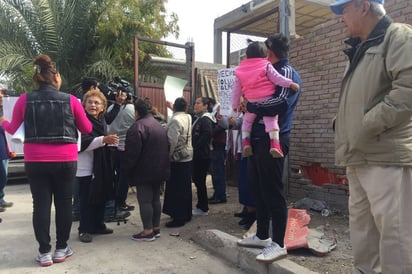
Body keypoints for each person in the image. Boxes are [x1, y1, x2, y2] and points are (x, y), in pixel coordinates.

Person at [330, 1, 412, 273]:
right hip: (358, 156)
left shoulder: (398, 36)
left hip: (385, 156)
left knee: (396, 238)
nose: (341, 19)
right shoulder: (359, 48)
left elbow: (406, 91)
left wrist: (366, 125)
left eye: (344, 10)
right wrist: (342, 124)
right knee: (363, 234)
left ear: (364, 6)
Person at [0, 54, 92, 267]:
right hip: (66, 160)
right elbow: (86, 128)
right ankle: (61, 249)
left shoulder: (24, 99)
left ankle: (44, 252)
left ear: (37, 76)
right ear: (56, 77)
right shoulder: (71, 100)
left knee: (40, 205)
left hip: (36, 160)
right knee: (64, 203)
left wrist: (4, 122)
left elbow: (13, 128)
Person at [237, 34, 302, 263]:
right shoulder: (263, 71)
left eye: (265, 48)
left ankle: (279, 243)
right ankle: (263, 235)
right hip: (256, 138)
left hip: (273, 139)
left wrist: (251, 105)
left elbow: (280, 105)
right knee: (258, 188)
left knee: (273, 190)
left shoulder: (285, 73)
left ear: (271, 51)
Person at [232, 41, 299, 158]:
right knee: (271, 121)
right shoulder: (266, 66)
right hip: (266, 98)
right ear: (266, 55)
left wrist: (235, 105)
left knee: (247, 122)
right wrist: (290, 83)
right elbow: (277, 79)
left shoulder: (240, 70)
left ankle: (245, 143)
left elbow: (236, 91)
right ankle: (275, 145)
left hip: (250, 100)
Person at [76, 88, 120, 243]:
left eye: (97, 103)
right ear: (84, 104)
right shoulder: (81, 122)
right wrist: (103, 140)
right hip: (86, 167)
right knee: (86, 199)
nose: (93, 105)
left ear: (102, 107)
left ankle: (98, 225)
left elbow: (102, 141)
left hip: (101, 167)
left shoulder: (101, 121)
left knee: (100, 196)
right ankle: (84, 230)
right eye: (90, 102)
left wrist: (110, 143)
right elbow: (81, 144)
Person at [124, 98, 170, 241]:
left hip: (144, 170)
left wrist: (127, 169)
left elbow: (132, 153)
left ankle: (147, 231)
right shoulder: (158, 125)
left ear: (136, 112)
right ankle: (155, 228)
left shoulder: (137, 127)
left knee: (145, 201)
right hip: (160, 169)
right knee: (155, 199)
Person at [162, 97, 193, 227]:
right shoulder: (188, 117)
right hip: (188, 155)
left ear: (174, 107)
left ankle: (178, 217)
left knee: (176, 188)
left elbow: (171, 141)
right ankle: (186, 213)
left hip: (177, 158)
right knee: (185, 187)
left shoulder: (175, 120)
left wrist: (167, 157)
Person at [191, 97, 216, 216]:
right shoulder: (199, 118)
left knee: (200, 181)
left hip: (202, 155)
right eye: (195, 103)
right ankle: (201, 205)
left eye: (198, 103)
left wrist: (195, 146)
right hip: (199, 154)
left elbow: (207, 135)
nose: (195, 105)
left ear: (206, 106)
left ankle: (203, 207)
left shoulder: (206, 119)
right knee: (198, 180)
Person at [0, 92, 14, 210]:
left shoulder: (6, 111)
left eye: (2, 97)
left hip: (4, 149)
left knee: (3, 177)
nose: (2, 99)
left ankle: (1, 199)